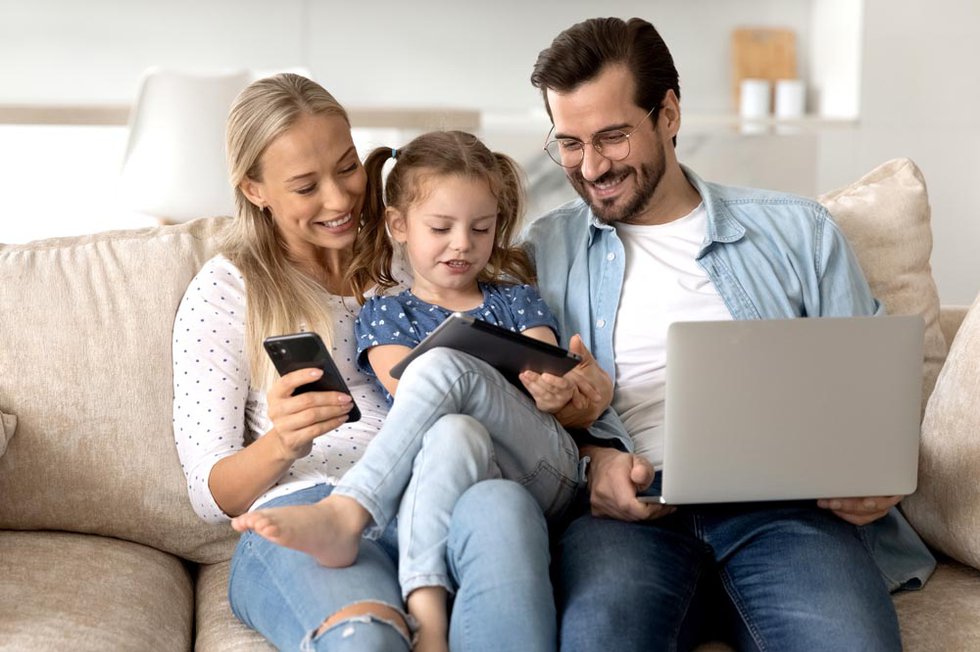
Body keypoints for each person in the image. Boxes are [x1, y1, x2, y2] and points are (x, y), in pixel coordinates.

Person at [523, 17, 937, 651]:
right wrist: (591, 461)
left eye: (611, 136)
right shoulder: (542, 252)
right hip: (628, 518)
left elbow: (874, 389)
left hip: (787, 515)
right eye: (570, 143)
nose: (592, 166)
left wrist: (876, 473)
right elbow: (514, 412)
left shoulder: (798, 232)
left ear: (668, 113)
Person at [172, 73, 558, 652]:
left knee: (503, 513)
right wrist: (282, 441)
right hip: (308, 502)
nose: (340, 198)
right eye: (306, 186)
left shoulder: (418, 255)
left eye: (347, 167)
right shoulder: (228, 293)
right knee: (367, 643)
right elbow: (211, 494)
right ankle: (347, 520)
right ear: (255, 189)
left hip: (444, 485)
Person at [231, 130, 605, 651]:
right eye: (442, 227)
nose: (463, 244)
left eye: (481, 228)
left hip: (541, 463)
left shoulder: (516, 298)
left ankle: (349, 511)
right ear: (399, 226)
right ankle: (427, 616)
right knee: (449, 426)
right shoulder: (387, 312)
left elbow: (540, 370)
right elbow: (409, 392)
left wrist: (554, 391)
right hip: (456, 469)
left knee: (443, 368)